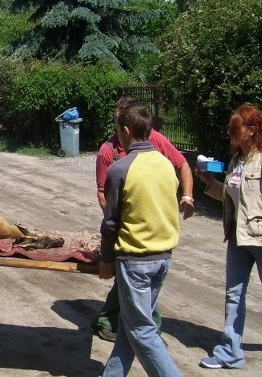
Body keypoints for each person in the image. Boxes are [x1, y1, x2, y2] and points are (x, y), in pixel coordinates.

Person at [93, 97, 195, 342]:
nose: (116, 126)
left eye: (119, 122)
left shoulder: (156, 142)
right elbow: (103, 195)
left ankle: (113, 321)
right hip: (135, 234)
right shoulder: (108, 152)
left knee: (135, 293)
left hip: (150, 239)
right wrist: (119, 220)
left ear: (129, 126)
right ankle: (130, 324)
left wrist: (188, 196)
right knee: (138, 314)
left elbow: (182, 165)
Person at [197, 103, 262, 369]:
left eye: (234, 129)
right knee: (234, 294)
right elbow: (233, 197)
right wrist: (211, 185)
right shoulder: (236, 162)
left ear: (251, 130)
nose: (229, 133)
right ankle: (230, 353)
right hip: (238, 239)